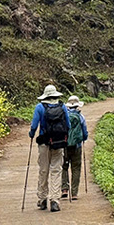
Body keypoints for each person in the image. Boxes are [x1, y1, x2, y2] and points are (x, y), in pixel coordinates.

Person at [29, 84, 70, 212]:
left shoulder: (40, 107)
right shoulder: (62, 106)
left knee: (43, 170)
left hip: (44, 143)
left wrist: (31, 134)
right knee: (56, 170)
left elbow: (34, 125)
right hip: (58, 143)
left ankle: (42, 199)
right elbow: (68, 125)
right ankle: (55, 200)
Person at [61, 95, 88, 200]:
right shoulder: (80, 117)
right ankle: (74, 193)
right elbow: (84, 132)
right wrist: (83, 139)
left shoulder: (64, 116)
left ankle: (64, 189)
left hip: (64, 145)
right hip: (77, 146)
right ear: (77, 106)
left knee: (64, 166)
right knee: (76, 168)